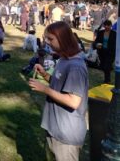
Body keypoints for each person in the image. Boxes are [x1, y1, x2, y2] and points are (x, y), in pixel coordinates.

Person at [29, 21, 88, 161]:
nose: (47, 42)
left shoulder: (76, 66)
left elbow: (73, 101)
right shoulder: (63, 59)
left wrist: (45, 90)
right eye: (46, 38)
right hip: (54, 128)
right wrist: (45, 74)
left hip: (66, 134)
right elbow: (60, 85)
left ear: (63, 39)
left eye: (50, 39)